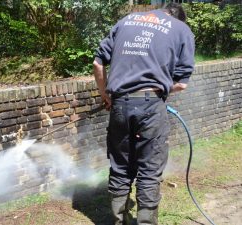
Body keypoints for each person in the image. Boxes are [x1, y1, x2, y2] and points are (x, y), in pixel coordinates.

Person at [93, 3, 195, 225]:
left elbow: (98, 63)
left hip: (119, 103)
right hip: (150, 106)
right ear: (177, 17)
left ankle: (119, 221)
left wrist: (106, 95)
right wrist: (159, 89)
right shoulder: (180, 29)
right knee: (148, 170)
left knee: (120, 167)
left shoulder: (126, 21)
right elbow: (182, 83)